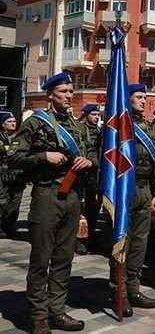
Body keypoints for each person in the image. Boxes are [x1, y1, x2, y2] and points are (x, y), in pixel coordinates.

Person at [8, 72, 96, 333]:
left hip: (72, 196)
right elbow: (13, 157)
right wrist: (43, 156)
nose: (69, 96)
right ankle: (38, 317)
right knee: (41, 259)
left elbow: (92, 152)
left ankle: (57, 311)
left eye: (71, 91)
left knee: (64, 257)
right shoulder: (36, 123)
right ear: (50, 95)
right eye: (63, 92)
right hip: (47, 195)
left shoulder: (77, 125)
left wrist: (89, 161)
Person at [109, 84, 155, 316]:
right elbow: (106, 159)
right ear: (127, 98)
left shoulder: (148, 127)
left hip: (145, 190)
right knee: (123, 243)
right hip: (123, 191)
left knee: (140, 245)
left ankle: (133, 289)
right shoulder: (117, 124)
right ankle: (119, 293)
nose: (144, 101)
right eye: (139, 97)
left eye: (145, 97)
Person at [76, 103, 102, 255]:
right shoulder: (80, 130)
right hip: (82, 176)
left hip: (94, 177)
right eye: (93, 115)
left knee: (93, 209)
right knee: (81, 211)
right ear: (86, 115)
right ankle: (79, 241)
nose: (96, 117)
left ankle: (90, 237)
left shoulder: (98, 131)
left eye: (98, 115)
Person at [0, 111, 26, 238]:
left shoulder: (19, 137)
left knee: (15, 203)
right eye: (9, 122)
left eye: (14, 122)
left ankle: (10, 227)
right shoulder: (1, 138)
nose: (13, 124)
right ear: (3, 124)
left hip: (17, 176)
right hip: (3, 176)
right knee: (2, 202)